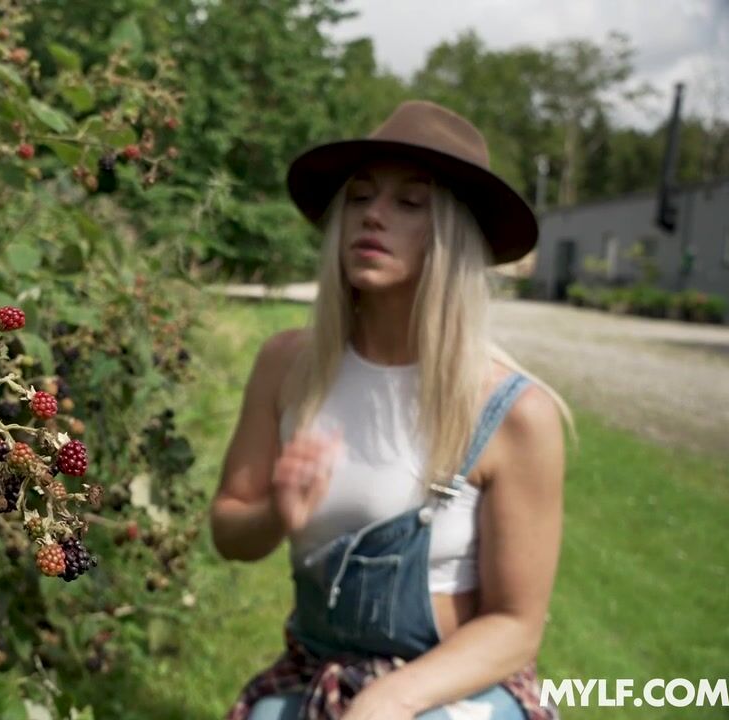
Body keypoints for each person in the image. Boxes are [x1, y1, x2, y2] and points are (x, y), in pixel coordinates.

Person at [210, 100, 579, 720]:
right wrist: (276, 512)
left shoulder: (516, 413)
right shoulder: (286, 365)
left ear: (455, 236)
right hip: (317, 671)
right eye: (359, 197)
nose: (373, 215)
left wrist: (394, 698)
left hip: (454, 690)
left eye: (410, 203)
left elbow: (516, 626)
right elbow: (229, 532)